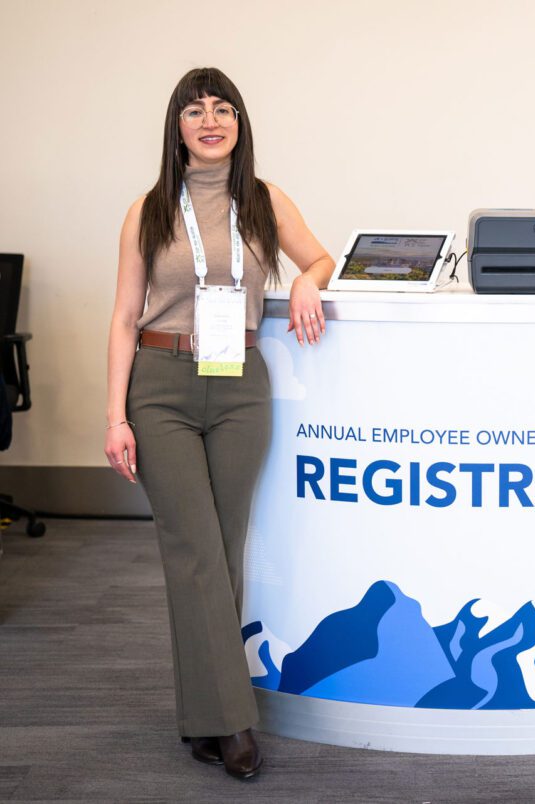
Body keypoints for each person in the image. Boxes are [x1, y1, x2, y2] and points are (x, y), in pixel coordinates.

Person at [105, 67, 335, 779]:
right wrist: (114, 415)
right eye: (195, 111)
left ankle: (200, 718)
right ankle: (234, 722)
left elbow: (322, 258)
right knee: (195, 549)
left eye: (223, 109)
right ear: (176, 128)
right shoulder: (148, 210)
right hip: (161, 386)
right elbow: (124, 317)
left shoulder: (264, 200)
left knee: (224, 553)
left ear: (240, 122)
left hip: (240, 385)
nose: (211, 121)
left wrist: (307, 280)